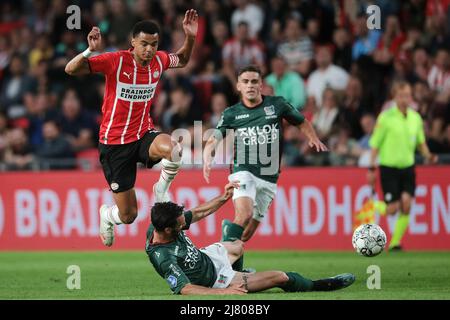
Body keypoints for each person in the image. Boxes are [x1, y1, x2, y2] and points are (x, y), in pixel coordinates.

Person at [65, 10, 199, 247]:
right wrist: (89, 51)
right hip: (115, 143)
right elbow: (71, 69)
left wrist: (189, 37)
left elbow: (184, 59)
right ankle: (107, 215)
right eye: (144, 44)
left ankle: (161, 190)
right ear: (133, 43)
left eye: (154, 44)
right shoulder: (115, 61)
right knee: (129, 216)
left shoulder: (159, 60)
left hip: (143, 134)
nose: (149, 49)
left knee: (175, 150)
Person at [202, 65, 327, 272]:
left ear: (261, 85)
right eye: (246, 82)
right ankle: (221, 269)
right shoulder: (232, 113)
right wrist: (208, 156)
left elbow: (301, 121)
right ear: (238, 86)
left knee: (246, 233)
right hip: (243, 170)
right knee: (244, 215)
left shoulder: (277, 105)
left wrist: (313, 138)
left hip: (269, 177)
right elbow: (215, 137)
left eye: (254, 81)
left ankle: (230, 250)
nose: (250, 85)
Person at [146, 182, 355, 295]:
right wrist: (225, 294)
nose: (184, 224)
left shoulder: (163, 223)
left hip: (208, 257)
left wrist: (223, 197)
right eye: (180, 225)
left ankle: (239, 270)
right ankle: (320, 285)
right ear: (166, 230)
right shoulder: (164, 256)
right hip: (216, 280)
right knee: (281, 277)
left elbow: (198, 213)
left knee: (238, 245)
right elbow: (185, 289)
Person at [368, 81, 438, 251]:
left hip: (408, 167)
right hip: (389, 167)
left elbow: (420, 143)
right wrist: (371, 167)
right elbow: (375, 144)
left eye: (407, 95)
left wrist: (428, 155)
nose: (404, 99)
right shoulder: (386, 117)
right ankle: (372, 206)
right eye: (400, 96)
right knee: (393, 209)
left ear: (410, 97)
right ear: (394, 97)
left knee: (407, 204)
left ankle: (395, 243)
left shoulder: (415, 118)